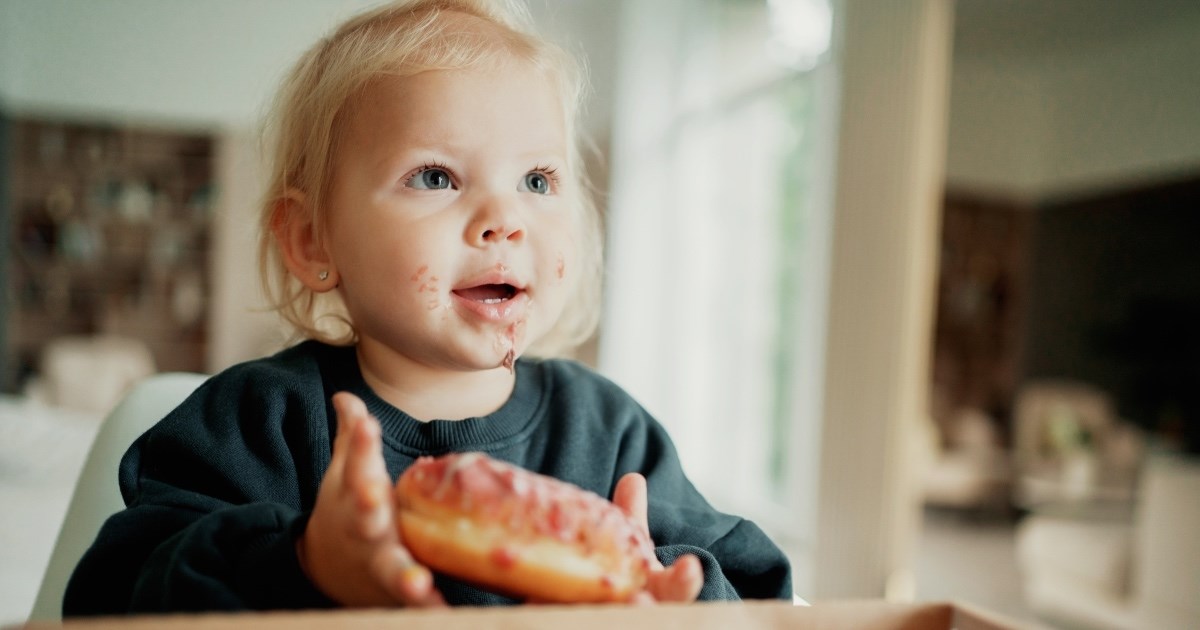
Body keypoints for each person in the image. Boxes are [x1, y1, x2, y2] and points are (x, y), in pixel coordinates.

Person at [64, 0, 792, 615]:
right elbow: (109, 594)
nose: (504, 218)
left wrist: (671, 599)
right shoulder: (259, 424)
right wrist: (303, 563)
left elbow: (766, 593)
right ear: (313, 238)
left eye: (538, 181)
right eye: (437, 176)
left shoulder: (611, 440)